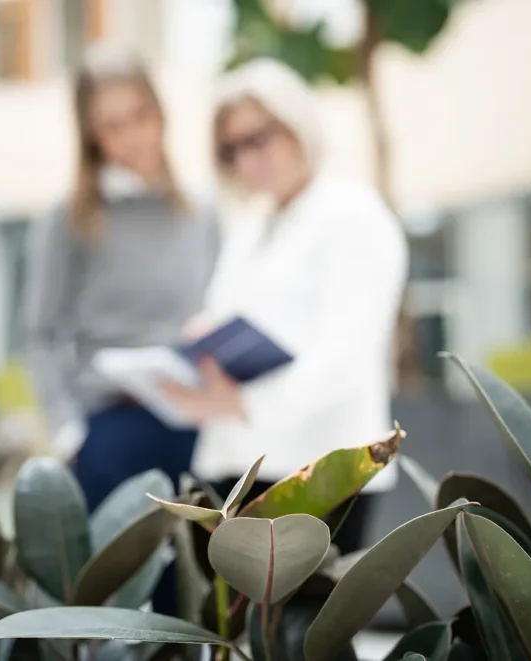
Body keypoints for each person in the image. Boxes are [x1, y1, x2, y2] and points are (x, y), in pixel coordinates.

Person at [161, 59, 410, 554]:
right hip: (239, 465)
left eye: (261, 136)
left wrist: (245, 404)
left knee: (311, 629)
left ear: (298, 123)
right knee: (241, 627)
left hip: (322, 471)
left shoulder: (354, 215)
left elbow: (346, 357)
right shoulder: (251, 228)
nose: (250, 159)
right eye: (233, 149)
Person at [22, 45, 220, 608]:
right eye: (111, 125)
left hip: (195, 431)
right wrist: (68, 431)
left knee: (191, 606)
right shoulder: (67, 220)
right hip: (109, 434)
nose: (131, 135)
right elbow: (37, 335)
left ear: (161, 115)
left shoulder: (201, 211)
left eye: (139, 116)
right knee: (116, 610)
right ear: (90, 136)